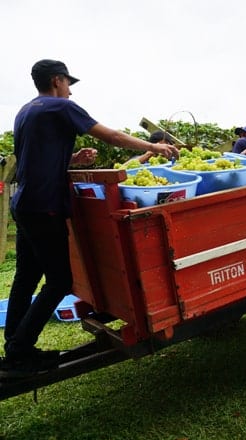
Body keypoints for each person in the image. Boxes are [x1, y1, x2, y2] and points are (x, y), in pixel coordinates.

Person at [0, 59, 179, 379]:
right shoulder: (60, 108)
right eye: (68, 83)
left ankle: (13, 342)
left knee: (26, 277)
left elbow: (36, 159)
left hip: (24, 204)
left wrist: (72, 159)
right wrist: (153, 145)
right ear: (57, 80)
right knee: (59, 282)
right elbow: (110, 135)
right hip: (45, 208)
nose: (70, 91)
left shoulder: (26, 111)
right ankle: (20, 351)